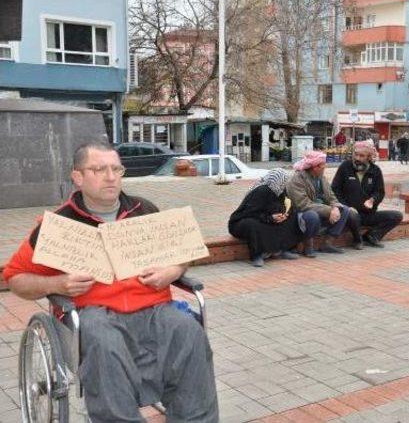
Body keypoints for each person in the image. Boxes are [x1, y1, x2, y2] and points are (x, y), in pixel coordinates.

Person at [3, 142, 219, 423]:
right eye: (99, 169)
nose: (111, 176)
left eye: (116, 168)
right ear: (78, 177)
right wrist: (57, 284)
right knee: (103, 342)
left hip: (154, 307)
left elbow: (182, 256)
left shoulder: (145, 210)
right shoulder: (57, 225)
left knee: (189, 332)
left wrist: (172, 271)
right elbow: (15, 278)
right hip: (94, 312)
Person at [331, 140, 403, 248]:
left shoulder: (375, 171)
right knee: (352, 215)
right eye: (356, 154)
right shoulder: (345, 167)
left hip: (368, 214)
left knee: (396, 216)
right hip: (349, 213)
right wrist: (346, 207)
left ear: (369, 157)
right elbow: (335, 190)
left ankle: (372, 236)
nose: (357, 158)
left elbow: (380, 192)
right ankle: (357, 239)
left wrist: (373, 200)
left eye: (362, 156)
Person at [286, 151, 359, 255]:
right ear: (315, 167)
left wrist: (335, 206)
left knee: (344, 209)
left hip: (321, 210)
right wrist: (330, 210)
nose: (325, 167)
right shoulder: (297, 179)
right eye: (323, 165)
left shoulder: (321, 178)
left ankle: (328, 243)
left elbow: (331, 196)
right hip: (302, 214)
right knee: (312, 216)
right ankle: (307, 245)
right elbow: (303, 205)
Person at [228, 169, 305, 267]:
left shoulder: (279, 191)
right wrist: (270, 217)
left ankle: (283, 249)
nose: (284, 184)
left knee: (293, 217)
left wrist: (284, 214)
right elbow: (250, 212)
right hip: (242, 221)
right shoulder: (261, 191)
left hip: (267, 219)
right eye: (283, 181)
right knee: (253, 224)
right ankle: (256, 255)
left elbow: (286, 205)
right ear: (277, 181)